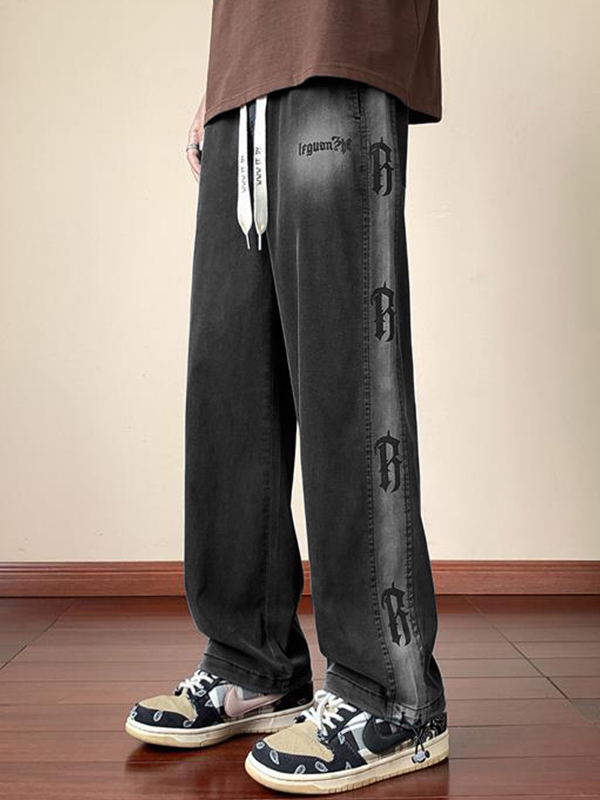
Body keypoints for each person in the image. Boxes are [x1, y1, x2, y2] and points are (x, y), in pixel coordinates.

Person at [126, 0, 449, 792]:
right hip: (243, 78)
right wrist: (225, 78)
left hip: (339, 40)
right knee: (228, 381)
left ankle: (391, 694)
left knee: (345, 373)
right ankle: (253, 662)